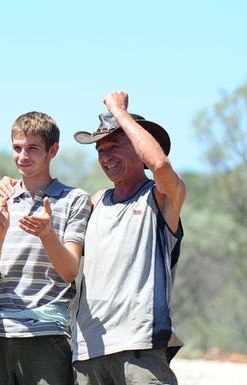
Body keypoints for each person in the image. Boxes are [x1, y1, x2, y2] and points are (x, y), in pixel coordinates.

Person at [0, 111, 91, 385]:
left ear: (52, 151)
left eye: (33, 148)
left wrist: (47, 234)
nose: (23, 156)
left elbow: (69, 271)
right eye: (17, 148)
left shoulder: (75, 200)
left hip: (46, 337)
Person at [71, 91, 186, 385]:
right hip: (88, 352)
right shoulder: (95, 202)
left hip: (139, 348)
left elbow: (160, 166)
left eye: (115, 145)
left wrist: (119, 112)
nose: (106, 156)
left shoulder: (160, 198)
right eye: (100, 149)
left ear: (139, 147)